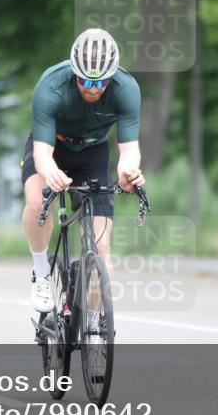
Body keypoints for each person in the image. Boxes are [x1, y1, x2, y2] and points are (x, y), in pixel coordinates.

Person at [21, 28, 145, 317]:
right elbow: (42, 154)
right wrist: (51, 172)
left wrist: (128, 172)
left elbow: (129, 150)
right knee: (38, 202)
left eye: (100, 82)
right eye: (85, 80)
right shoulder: (51, 86)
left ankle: (93, 324)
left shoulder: (127, 89)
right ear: (75, 72)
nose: (92, 88)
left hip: (93, 152)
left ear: (111, 76)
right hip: (52, 147)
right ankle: (41, 272)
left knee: (101, 246)